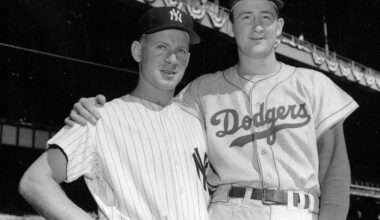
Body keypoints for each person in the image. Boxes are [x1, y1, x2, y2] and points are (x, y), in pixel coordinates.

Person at [66, 0, 358, 219]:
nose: (257, 26)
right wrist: (94, 110)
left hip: (299, 211)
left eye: (266, 17)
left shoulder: (314, 84)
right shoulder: (200, 91)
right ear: (231, 27)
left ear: (279, 27)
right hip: (228, 210)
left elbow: (335, 173)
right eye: (246, 17)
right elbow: (152, 116)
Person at [18, 6, 210, 220]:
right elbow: (35, 181)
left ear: (188, 58)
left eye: (180, 50)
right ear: (137, 51)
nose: (172, 59)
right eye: (161, 47)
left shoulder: (195, 123)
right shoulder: (99, 117)